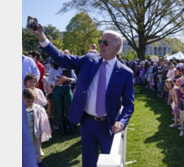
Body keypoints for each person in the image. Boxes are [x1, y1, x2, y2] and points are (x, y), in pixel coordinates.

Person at [31, 23, 135, 167]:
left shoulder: (125, 73)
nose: (101, 45)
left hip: (109, 125)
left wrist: (122, 121)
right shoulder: (89, 60)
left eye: (105, 42)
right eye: (100, 41)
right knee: (88, 163)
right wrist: (42, 37)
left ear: (117, 48)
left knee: (109, 163)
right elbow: (62, 58)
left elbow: (129, 104)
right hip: (87, 123)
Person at [24, 74, 52, 155]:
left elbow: (45, 102)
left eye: (34, 82)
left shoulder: (38, 91)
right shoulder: (24, 91)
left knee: (39, 132)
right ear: (25, 82)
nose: (32, 84)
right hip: (28, 114)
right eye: (30, 81)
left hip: (39, 113)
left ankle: (39, 148)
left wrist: (37, 97)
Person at [47, 62, 77, 135]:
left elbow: (75, 79)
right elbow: (49, 80)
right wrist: (58, 82)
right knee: (59, 111)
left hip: (67, 89)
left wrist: (68, 79)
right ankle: (63, 131)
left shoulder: (69, 68)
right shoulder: (52, 70)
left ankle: (72, 129)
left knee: (69, 109)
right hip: (57, 90)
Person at [23, 88, 46, 167]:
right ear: (23, 98)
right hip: (26, 134)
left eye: (32, 101)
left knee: (37, 149)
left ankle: (39, 162)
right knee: (27, 150)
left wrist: (40, 131)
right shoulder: (21, 109)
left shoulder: (36, 108)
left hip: (34, 132)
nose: (30, 103)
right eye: (28, 101)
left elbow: (39, 121)